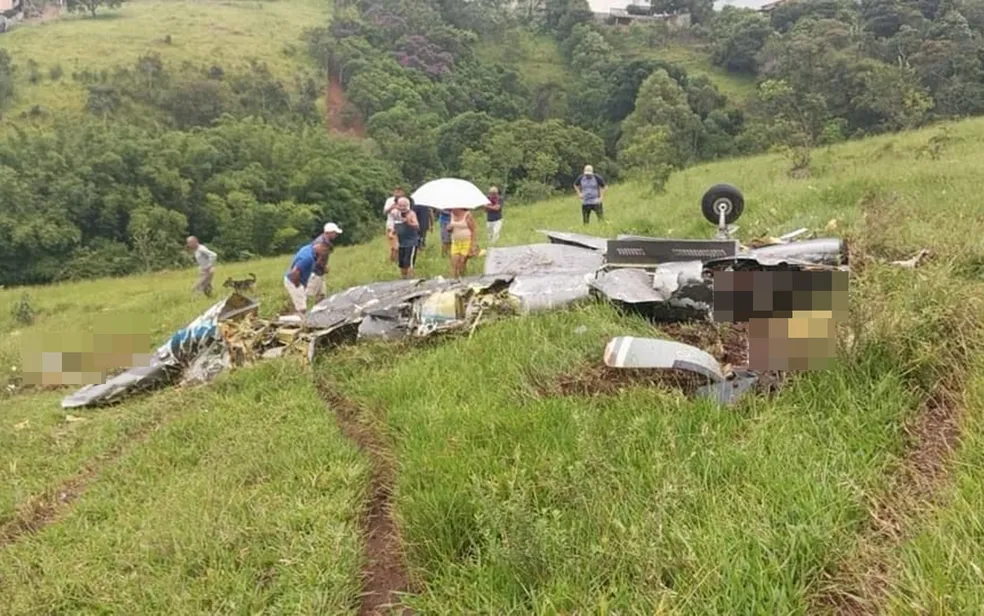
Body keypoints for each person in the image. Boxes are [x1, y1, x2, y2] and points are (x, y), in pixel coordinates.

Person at [284, 241, 330, 316]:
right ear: (321, 247)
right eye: (325, 251)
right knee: (302, 309)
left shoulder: (308, 248)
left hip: (295, 279)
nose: (325, 254)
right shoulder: (308, 258)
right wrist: (298, 285)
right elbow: (295, 272)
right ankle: (291, 320)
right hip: (293, 280)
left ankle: (297, 317)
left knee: (301, 305)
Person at [307, 222, 342, 304]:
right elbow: (318, 261)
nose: (336, 235)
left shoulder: (322, 240)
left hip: (319, 273)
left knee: (321, 296)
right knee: (309, 297)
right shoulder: (322, 243)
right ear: (329, 232)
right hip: (314, 273)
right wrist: (324, 267)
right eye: (335, 233)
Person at [393, 197, 421, 279]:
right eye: (400, 205)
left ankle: (411, 279)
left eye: (404, 206)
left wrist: (408, 222)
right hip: (401, 243)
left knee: (408, 262)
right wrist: (393, 232)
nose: (402, 208)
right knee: (401, 263)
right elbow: (396, 227)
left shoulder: (411, 214)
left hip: (411, 243)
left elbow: (417, 226)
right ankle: (403, 279)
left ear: (408, 205)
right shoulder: (396, 214)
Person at [446, 207, 477, 278]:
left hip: (466, 242)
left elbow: (473, 230)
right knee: (454, 263)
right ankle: (454, 278)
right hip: (455, 242)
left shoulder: (467, 215)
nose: (451, 210)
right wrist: (449, 228)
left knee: (462, 262)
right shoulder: (451, 215)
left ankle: (462, 277)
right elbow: (451, 228)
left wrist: (472, 245)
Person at [383, 187, 408, 262]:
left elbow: (408, 212)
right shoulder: (389, 200)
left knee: (401, 246)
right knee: (394, 246)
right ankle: (392, 262)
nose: (398, 193)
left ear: (403, 193)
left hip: (402, 225)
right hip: (391, 226)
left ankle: (398, 261)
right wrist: (392, 207)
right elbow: (384, 212)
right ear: (393, 192)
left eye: (400, 192)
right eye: (396, 192)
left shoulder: (406, 201)